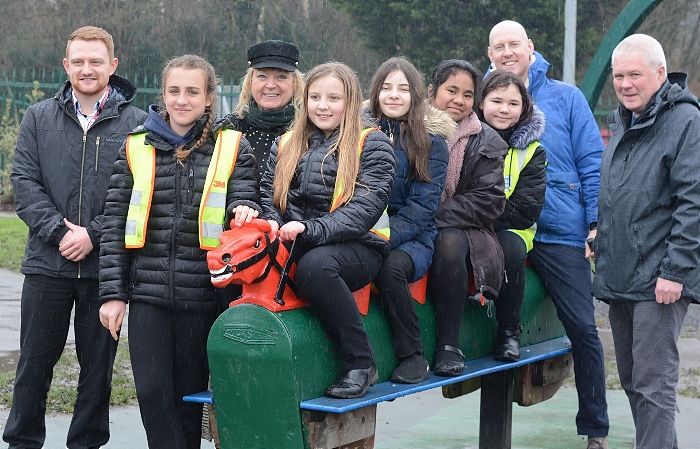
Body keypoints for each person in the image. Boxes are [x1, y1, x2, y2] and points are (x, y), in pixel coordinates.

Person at [98, 54, 260, 449]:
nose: (181, 100)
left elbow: (245, 197)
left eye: (192, 91)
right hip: (148, 294)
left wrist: (244, 207)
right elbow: (115, 223)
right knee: (152, 394)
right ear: (163, 94)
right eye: (174, 90)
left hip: (203, 296)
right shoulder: (136, 147)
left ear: (209, 98)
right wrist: (113, 294)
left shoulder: (232, 146)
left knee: (187, 400)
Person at [3, 26, 147, 449]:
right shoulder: (37, 117)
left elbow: (141, 191)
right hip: (47, 265)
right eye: (79, 61)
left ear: (113, 66)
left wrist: (95, 236)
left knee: (97, 370)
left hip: (106, 270)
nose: (87, 69)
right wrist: (60, 233)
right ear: (66, 66)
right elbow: (24, 183)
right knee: (33, 365)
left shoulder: (138, 124)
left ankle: (86, 443)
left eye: (96, 61)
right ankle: (22, 441)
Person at [487, 20, 609, 448]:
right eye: (498, 46)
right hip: (502, 227)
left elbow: (593, 162)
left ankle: (595, 429)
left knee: (582, 326)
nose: (506, 52)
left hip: (558, 228)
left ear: (530, 47)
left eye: (513, 44)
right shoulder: (484, 101)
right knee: (492, 327)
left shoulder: (566, 98)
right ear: (489, 55)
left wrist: (594, 221)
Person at [261, 62, 395, 399]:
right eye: (315, 97)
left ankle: (361, 362)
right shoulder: (287, 142)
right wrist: (273, 224)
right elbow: (267, 194)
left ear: (350, 102)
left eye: (333, 98)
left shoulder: (372, 144)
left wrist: (308, 229)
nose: (323, 105)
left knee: (316, 267)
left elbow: (361, 212)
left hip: (358, 247)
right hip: (298, 239)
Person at [592, 34, 700, 449]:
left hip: (660, 279)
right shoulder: (623, 122)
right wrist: (599, 235)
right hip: (621, 272)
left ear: (659, 73)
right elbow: (625, 194)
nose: (624, 83)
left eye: (634, 74)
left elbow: (693, 203)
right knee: (636, 383)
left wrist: (675, 271)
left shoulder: (686, 122)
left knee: (655, 385)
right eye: (619, 75)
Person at [367, 57, 452, 383]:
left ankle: (412, 355)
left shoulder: (432, 145)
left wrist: (383, 238)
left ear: (415, 96)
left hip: (410, 237)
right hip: (363, 228)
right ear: (375, 93)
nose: (393, 95)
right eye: (387, 87)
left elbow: (421, 209)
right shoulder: (358, 135)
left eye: (403, 89)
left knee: (389, 268)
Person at [426, 59, 508, 377]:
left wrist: (433, 216)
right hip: (410, 222)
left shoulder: (485, 141)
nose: (459, 100)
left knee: (449, 243)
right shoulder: (409, 127)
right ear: (433, 91)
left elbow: (488, 201)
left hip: (466, 230)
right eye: (452, 91)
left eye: (468, 94)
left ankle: (449, 343)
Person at [477, 69, 546, 361]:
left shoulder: (531, 151)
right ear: (481, 103)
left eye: (513, 103)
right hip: (466, 223)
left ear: (523, 108)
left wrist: (485, 220)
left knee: (508, 249)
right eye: (496, 100)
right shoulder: (463, 139)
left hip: (508, 227)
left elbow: (526, 208)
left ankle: (508, 331)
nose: (504, 109)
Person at [225, 40, 304, 176]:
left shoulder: (307, 132)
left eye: (281, 76)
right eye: (262, 76)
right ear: (250, 82)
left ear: (295, 84)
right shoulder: (229, 129)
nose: (271, 85)